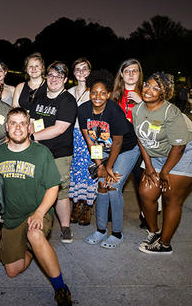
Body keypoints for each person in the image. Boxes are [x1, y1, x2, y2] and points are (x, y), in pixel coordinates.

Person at [0, 108, 72, 306]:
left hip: (36, 210)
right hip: (10, 217)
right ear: (6, 127)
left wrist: (40, 213)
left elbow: (53, 186)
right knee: (12, 271)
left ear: (29, 127)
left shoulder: (41, 153)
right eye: (13, 123)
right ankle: (31, 251)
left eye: (23, 123)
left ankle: (61, 288)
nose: (18, 127)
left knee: (35, 234)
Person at [134, 73, 192, 254]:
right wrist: (148, 166)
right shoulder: (137, 109)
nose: (148, 90)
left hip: (184, 155)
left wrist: (164, 172)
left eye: (156, 88)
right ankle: (154, 232)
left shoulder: (169, 112)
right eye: (147, 85)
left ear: (163, 93)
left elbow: (179, 146)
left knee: (170, 198)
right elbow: (141, 139)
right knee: (146, 193)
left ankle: (164, 244)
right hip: (158, 155)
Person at [78, 70, 140, 249]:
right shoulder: (83, 110)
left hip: (127, 149)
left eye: (103, 92)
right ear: (89, 92)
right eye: (94, 92)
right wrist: (99, 165)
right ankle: (101, 230)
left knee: (113, 186)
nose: (98, 96)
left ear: (109, 94)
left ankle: (117, 233)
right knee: (102, 186)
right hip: (104, 150)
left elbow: (119, 142)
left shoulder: (114, 110)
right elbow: (90, 140)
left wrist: (109, 167)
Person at [29, 61, 77, 244]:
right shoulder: (40, 96)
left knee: (60, 190)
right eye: (51, 75)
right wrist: (33, 140)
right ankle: (36, 218)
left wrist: (32, 137)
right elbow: (32, 120)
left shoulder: (67, 100)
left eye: (59, 76)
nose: (54, 79)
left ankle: (65, 227)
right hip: (38, 151)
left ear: (65, 79)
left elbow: (59, 128)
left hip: (59, 153)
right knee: (36, 187)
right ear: (46, 77)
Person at [112, 58, 149, 229]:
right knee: (115, 177)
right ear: (121, 74)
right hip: (120, 142)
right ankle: (111, 211)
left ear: (140, 74)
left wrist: (141, 102)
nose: (131, 74)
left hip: (142, 143)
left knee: (141, 180)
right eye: (127, 71)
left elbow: (156, 118)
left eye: (135, 70)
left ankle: (146, 214)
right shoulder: (114, 94)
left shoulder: (147, 93)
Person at [67, 58, 98, 226]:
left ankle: (88, 206)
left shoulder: (95, 90)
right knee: (75, 170)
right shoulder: (69, 92)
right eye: (77, 69)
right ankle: (76, 204)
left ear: (89, 71)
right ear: (73, 73)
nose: (81, 72)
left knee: (91, 170)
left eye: (84, 69)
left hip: (92, 135)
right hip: (73, 134)